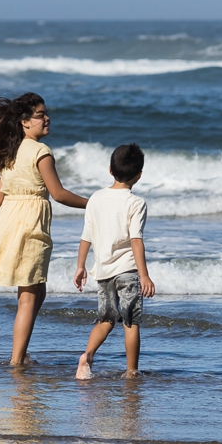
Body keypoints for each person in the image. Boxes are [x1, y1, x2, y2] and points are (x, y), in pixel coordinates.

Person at [0, 93, 88, 366]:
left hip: (9, 221)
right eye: (41, 114)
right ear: (24, 122)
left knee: (36, 290)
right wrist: (95, 204)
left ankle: (21, 353)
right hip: (30, 223)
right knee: (28, 297)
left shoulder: (10, 149)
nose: (47, 118)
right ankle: (16, 361)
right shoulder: (41, 152)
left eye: (46, 113)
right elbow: (59, 194)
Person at [73, 143, 155, 379]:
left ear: (110, 169)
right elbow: (136, 240)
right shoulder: (136, 203)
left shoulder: (95, 199)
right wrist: (144, 275)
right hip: (128, 271)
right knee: (131, 322)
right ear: (139, 175)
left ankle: (87, 356)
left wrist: (81, 266)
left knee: (106, 320)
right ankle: (131, 371)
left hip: (104, 271)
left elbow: (86, 236)